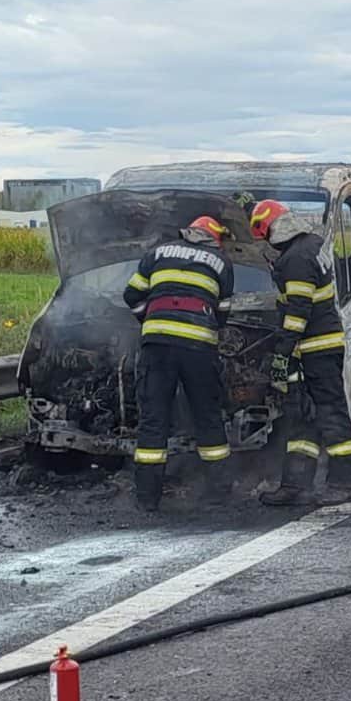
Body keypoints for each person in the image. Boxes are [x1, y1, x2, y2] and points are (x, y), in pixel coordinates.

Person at [247, 198, 351, 507]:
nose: (268, 243)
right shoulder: (311, 246)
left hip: (316, 348)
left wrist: (281, 351)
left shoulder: (296, 258)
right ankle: (296, 483)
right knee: (303, 418)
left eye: (266, 235)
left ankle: (343, 483)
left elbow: (297, 311)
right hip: (312, 347)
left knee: (330, 413)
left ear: (275, 229)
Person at [122, 215, 235, 511]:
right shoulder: (221, 262)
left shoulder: (158, 253)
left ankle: (147, 499)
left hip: (157, 344)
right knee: (207, 415)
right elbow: (223, 310)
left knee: (153, 420)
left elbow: (131, 294)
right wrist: (213, 326)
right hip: (198, 347)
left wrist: (148, 318)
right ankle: (219, 491)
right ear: (213, 239)